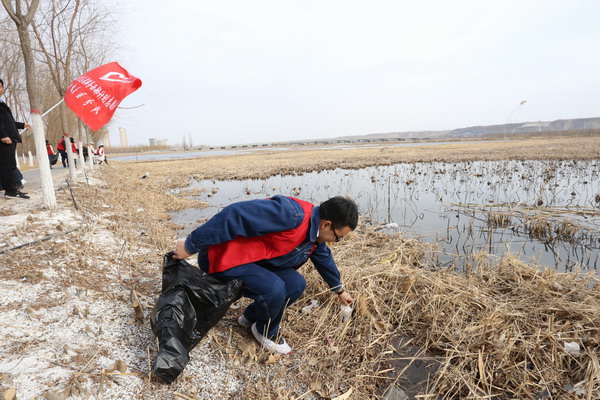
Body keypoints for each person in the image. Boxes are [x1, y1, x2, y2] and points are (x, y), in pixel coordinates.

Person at [172, 195, 358, 354]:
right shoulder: (291, 214)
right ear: (327, 224)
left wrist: (340, 291)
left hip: (253, 261)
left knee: (295, 284)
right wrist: (190, 245)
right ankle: (265, 331)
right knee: (274, 288)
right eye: (338, 237)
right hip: (225, 259)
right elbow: (234, 214)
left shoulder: (315, 236)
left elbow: (324, 258)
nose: (336, 241)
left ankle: (250, 318)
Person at [0, 78, 30, 199]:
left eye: (1, 86)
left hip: (10, 138)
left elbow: (9, 122)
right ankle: (11, 191)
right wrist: (2, 135)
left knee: (9, 164)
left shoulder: (2, 103)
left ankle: (12, 189)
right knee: (8, 165)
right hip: (5, 138)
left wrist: (22, 125)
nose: (0, 89)